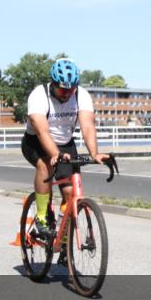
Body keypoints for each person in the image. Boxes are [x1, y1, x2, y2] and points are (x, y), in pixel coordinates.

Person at [21, 59, 108, 240]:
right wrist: (55, 155)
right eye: (63, 89)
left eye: (71, 89)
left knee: (71, 194)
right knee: (45, 165)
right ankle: (42, 217)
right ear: (53, 83)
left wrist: (94, 153)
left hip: (66, 143)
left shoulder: (81, 95)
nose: (67, 94)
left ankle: (62, 236)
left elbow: (88, 126)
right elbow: (43, 131)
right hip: (36, 141)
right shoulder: (39, 95)